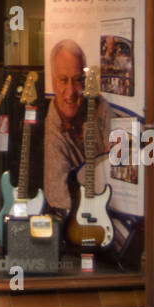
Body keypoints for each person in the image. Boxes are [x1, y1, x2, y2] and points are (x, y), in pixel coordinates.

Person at [43, 39, 107, 217]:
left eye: (77, 80)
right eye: (63, 80)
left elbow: (118, 164)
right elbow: (58, 197)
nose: (71, 91)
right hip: (76, 218)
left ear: (86, 82)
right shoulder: (53, 122)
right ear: (54, 83)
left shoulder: (101, 108)